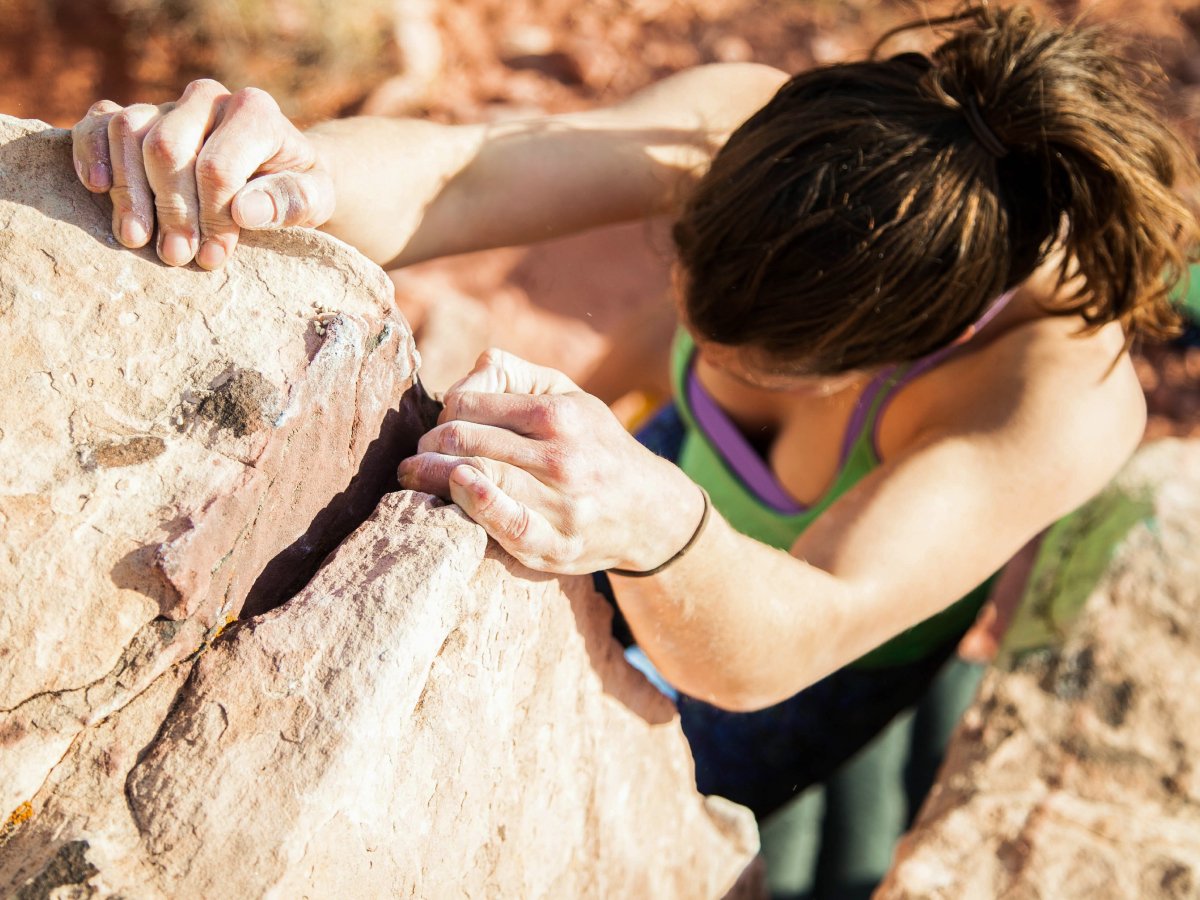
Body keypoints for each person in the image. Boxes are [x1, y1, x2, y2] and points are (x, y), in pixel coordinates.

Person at [72, 1, 1196, 885]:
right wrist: (277, 174)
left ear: (891, 359)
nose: (693, 333)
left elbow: (802, 631)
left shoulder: (1056, 398)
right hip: (667, 485)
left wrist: (652, 515)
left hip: (792, 656)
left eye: (747, 366)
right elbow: (471, 174)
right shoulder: (760, 132)